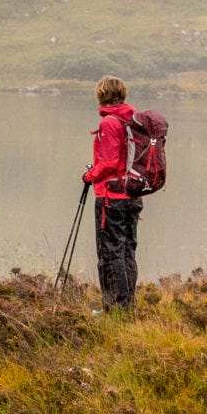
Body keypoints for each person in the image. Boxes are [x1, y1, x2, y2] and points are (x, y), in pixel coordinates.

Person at [82, 75, 141, 310]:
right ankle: (128, 305)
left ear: (101, 95)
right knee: (127, 250)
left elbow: (107, 163)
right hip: (132, 197)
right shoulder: (132, 120)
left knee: (110, 253)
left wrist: (89, 176)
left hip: (111, 199)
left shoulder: (109, 123)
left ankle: (114, 308)